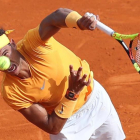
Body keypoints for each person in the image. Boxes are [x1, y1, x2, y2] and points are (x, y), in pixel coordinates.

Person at [0, 8, 125, 140]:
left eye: (4, 54)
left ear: (13, 44)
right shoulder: (11, 91)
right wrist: (72, 93)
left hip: (96, 100)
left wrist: (78, 21)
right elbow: (51, 126)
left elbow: (55, 18)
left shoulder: (33, 44)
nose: (4, 63)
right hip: (67, 124)